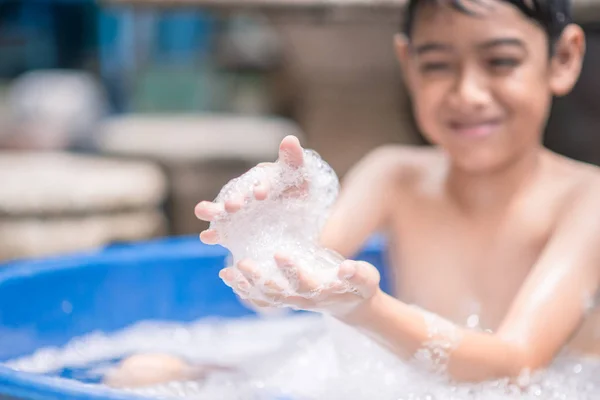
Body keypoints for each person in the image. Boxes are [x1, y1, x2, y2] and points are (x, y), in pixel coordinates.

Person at [195, 0, 600, 384]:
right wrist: (271, 227)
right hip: (414, 382)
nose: (468, 94)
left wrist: (366, 309)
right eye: (437, 65)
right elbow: (278, 295)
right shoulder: (392, 175)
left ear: (563, 58)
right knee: (150, 368)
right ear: (408, 64)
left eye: (501, 61)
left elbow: (517, 364)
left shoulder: (586, 200)